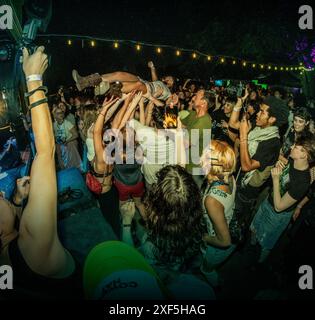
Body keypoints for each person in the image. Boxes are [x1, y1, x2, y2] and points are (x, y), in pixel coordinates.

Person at [0, 47, 77, 297]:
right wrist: (33, 78)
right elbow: (45, 152)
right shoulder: (33, 243)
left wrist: (18, 201)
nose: (2, 195)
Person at [250, 134, 315, 263]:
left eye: (296, 147)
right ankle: (250, 249)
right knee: (254, 228)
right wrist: (280, 168)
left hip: (277, 216)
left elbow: (279, 207)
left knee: (265, 243)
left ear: (304, 155)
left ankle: (258, 265)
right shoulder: (292, 161)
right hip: (268, 202)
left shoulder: (303, 182)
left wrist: (275, 179)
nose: (291, 147)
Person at [234, 96, 289, 231]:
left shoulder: (272, 143)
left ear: (272, 119)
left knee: (233, 226)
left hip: (245, 193)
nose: (258, 113)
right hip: (237, 180)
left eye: (262, 112)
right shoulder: (259, 130)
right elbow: (232, 124)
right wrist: (239, 105)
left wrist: (243, 137)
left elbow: (247, 166)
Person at [199, 140, 237, 287]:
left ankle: (215, 288)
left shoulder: (211, 201)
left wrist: (203, 237)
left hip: (216, 246)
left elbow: (225, 241)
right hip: (222, 228)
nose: (201, 158)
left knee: (206, 269)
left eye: (205, 156)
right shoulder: (228, 177)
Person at [179, 89, 213, 188]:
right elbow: (179, 124)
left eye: (196, 96)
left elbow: (185, 143)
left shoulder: (204, 121)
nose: (193, 98)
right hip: (187, 162)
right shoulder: (194, 114)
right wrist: (171, 106)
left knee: (192, 195)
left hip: (195, 168)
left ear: (203, 102)